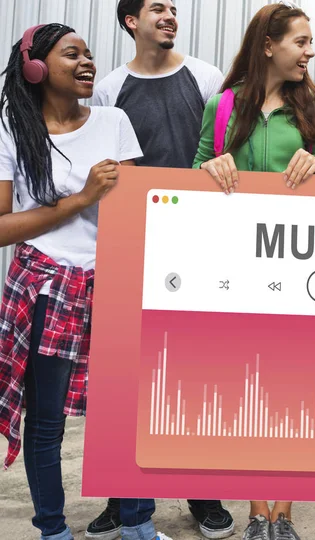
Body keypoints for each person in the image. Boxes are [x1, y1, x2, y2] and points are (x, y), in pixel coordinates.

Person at [0, 23, 171, 540]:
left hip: (111, 280)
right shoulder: (13, 126)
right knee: (47, 424)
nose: (87, 63)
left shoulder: (113, 121)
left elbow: (137, 213)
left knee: (122, 414)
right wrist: (80, 199)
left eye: (90, 54)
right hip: (46, 286)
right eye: (71, 54)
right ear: (35, 69)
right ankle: (53, 530)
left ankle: (138, 525)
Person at [87, 1, 233, 538]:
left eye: (174, 8)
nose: (169, 15)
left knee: (195, 376)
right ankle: (122, 498)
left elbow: (223, 151)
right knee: (126, 379)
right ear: (131, 21)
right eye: (157, 7)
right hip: (133, 249)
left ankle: (203, 492)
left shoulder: (206, 77)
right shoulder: (108, 88)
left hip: (200, 246)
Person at [192, 2, 315, 538]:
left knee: (293, 390)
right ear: (269, 45)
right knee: (247, 390)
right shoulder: (221, 105)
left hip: (298, 270)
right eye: (301, 41)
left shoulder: (309, 104)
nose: (309, 52)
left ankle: (286, 513)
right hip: (237, 271)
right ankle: (256, 511)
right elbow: (191, 173)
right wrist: (209, 166)